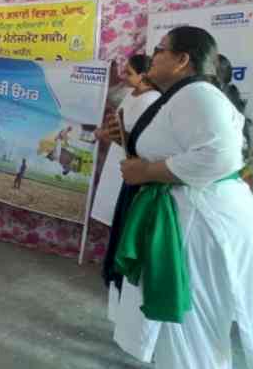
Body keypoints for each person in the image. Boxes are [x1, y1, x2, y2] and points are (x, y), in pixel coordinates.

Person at [110, 26, 253, 369]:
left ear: (183, 60)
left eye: (160, 49)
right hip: (188, 212)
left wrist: (148, 172)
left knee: (192, 327)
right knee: (185, 328)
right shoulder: (187, 95)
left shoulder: (198, 95)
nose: (153, 55)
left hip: (200, 219)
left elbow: (220, 156)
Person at [97, 54, 161, 320]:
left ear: (144, 75)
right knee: (113, 221)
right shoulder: (130, 95)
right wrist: (107, 133)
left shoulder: (154, 101)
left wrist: (111, 135)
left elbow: (134, 137)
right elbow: (119, 127)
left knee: (125, 225)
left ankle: (123, 279)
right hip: (117, 165)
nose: (125, 76)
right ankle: (114, 279)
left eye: (129, 73)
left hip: (134, 171)